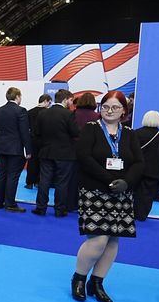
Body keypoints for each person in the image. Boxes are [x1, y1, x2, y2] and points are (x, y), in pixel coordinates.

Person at [71, 91, 143, 302]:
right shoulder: (91, 129)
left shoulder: (129, 134)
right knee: (98, 238)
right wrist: (109, 179)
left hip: (121, 194)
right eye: (105, 107)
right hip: (94, 191)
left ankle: (97, 282)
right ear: (100, 109)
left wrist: (126, 182)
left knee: (113, 239)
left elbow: (138, 162)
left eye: (115, 108)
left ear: (124, 111)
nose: (109, 111)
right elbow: (83, 157)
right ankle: (79, 278)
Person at [32, 89, 79, 217]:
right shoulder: (68, 114)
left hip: (46, 152)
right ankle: (60, 210)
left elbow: (36, 134)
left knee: (44, 181)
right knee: (62, 182)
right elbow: (75, 132)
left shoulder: (43, 114)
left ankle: (40, 208)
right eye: (70, 100)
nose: (71, 102)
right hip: (65, 154)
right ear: (65, 99)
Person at [0, 87, 32, 212]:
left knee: (1, 174)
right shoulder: (21, 111)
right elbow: (25, 133)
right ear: (17, 97)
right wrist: (28, 150)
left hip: (1, 147)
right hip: (15, 149)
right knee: (13, 176)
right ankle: (10, 204)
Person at [67, 92, 102, 212]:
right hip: (90, 151)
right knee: (88, 178)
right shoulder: (97, 116)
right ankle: (87, 204)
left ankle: (70, 203)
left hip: (73, 149)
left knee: (72, 178)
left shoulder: (73, 114)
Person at [133, 111, 159, 220]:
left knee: (133, 191)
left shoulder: (136, 133)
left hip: (136, 169)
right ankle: (141, 215)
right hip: (154, 170)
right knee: (148, 195)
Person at [25, 94, 52, 189]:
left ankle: (29, 182)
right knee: (43, 162)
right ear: (45, 101)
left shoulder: (29, 112)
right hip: (44, 140)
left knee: (32, 161)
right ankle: (38, 181)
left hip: (32, 140)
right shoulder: (48, 113)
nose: (49, 104)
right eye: (49, 102)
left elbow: (26, 128)